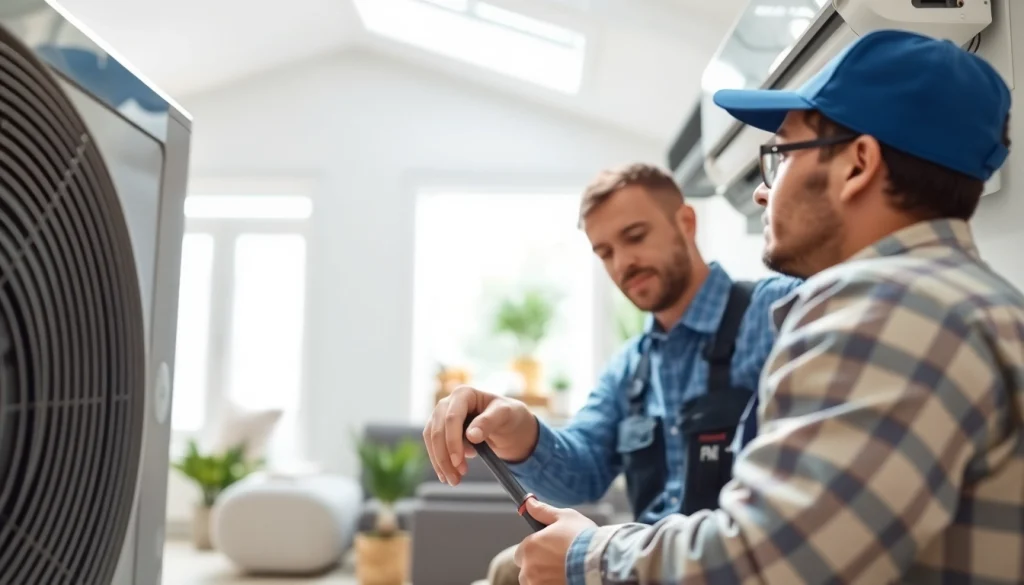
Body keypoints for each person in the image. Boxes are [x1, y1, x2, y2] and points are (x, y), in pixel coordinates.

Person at [505, 28, 1024, 585]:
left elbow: (771, 559)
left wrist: (590, 554)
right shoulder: (966, 302)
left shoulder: (890, 311)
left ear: (857, 165)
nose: (762, 193)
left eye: (779, 158)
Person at [422, 163, 802, 584]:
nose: (623, 262)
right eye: (605, 252)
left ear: (686, 222)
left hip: (727, 563)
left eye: (635, 237)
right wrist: (519, 429)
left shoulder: (780, 313)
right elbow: (582, 469)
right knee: (507, 570)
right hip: (639, 565)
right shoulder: (630, 367)